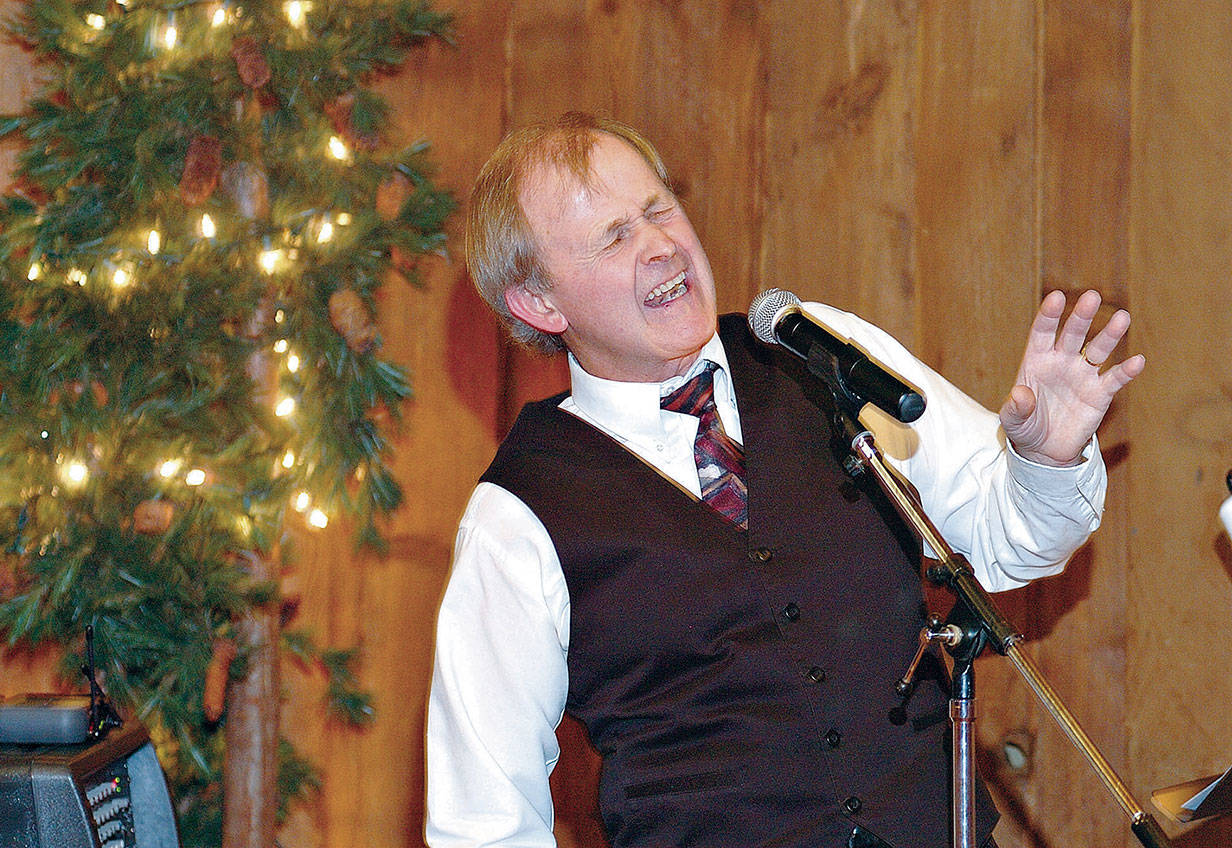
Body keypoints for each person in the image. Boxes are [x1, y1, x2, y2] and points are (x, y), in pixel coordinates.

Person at [425, 112, 1144, 848]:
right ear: (540, 302)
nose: (662, 246)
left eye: (659, 208)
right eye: (614, 236)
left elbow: (1010, 541)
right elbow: (485, 821)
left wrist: (1046, 460)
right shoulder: (518, 513)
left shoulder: (818, 357)